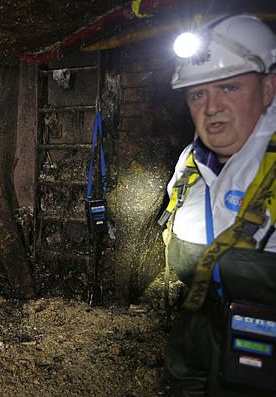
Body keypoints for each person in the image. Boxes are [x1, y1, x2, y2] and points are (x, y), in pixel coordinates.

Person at [160, 14, 276, 396]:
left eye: (228, 87)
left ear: (269, 87)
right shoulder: (191, 162)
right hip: (201, 321)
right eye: (197, 94)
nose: (211, 108)